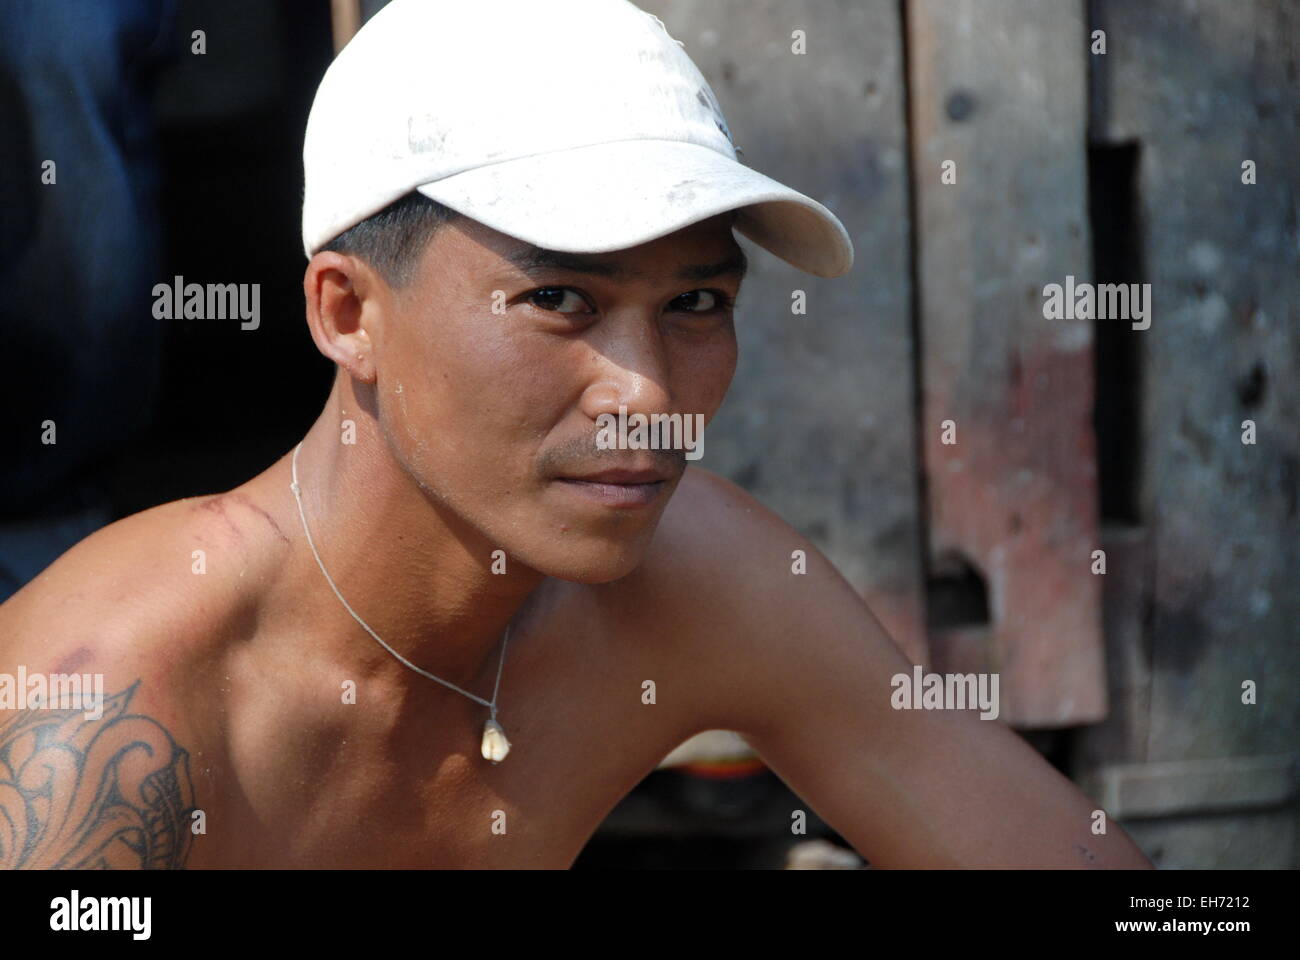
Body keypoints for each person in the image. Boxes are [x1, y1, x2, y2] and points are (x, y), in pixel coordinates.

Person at [0, 0, 1152, 869]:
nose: (646, 396)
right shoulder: (108, 712)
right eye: (561, 301)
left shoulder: (697, 575)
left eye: (696, 303)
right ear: (348, 314)